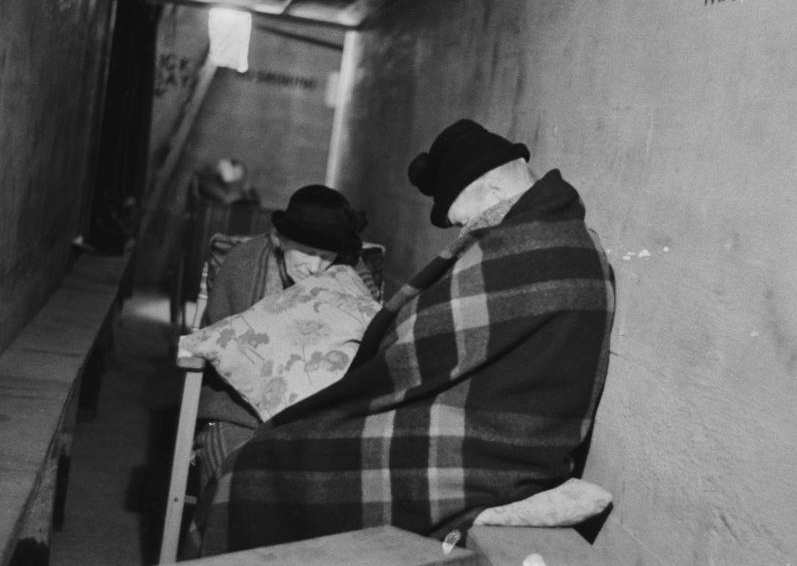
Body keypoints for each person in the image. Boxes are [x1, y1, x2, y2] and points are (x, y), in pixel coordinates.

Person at [192, 119, 615, 555]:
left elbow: (418, 347)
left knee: (260, 467)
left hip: (488, 448)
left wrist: (372, 364)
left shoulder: (526, 245)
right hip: (509, 435)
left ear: (490, 190)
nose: (464, 234)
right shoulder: (565, 238)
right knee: (285, 450)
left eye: (463, 221)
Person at [193, 184, 371, 489]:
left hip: (316, 416)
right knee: (242, 480)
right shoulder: (244, 264)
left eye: (325, 255)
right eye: (306, 252)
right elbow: (220, 336)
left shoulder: (347, 272)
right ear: (280, 239)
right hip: (239, 409)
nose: (315, 267)